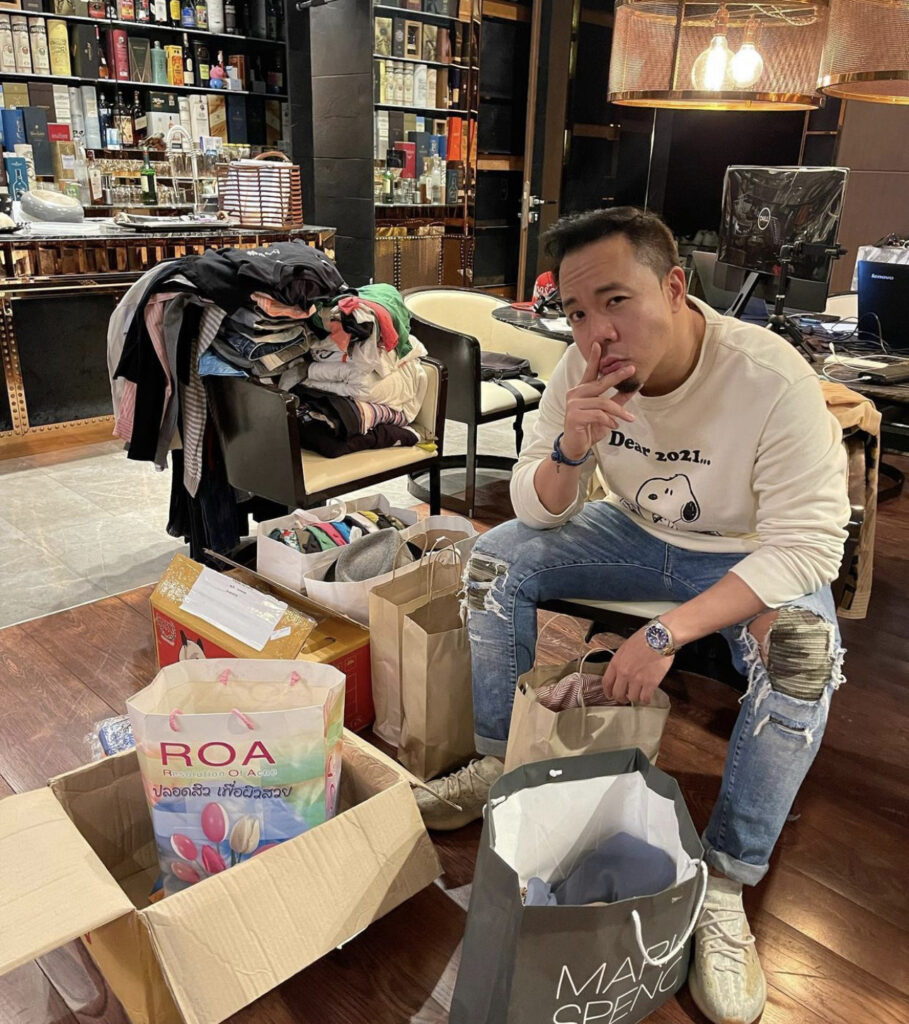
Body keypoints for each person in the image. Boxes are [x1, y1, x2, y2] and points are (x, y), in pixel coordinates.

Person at [415, 207, 850, 1024]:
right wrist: (571, 450)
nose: (597, 332)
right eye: (578, 312)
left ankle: (724, 878)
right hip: (637, 531)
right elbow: (535, 510)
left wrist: (663, 633)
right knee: (491, 563)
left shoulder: (768, 376)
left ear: (675, 287)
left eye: (615, 300)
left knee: (801, 655)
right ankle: (499, 760)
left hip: (746, 551)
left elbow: (808, 547)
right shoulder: (578, 371)